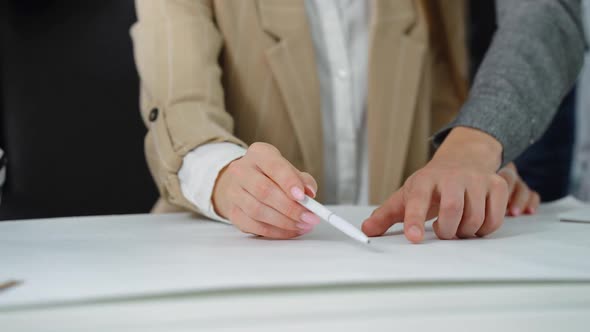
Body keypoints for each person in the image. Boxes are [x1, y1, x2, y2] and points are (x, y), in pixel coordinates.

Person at [132, 0, 584, 243]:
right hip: (229, 268)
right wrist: (225, 177)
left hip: (393, 277)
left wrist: (471, 170)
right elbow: (180, 105)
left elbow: (443, 101)